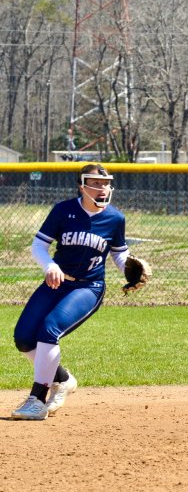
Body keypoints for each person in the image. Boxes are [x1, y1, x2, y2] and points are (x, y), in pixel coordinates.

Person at [10, 164, 132, 420]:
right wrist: (50, 265)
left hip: (89, 287)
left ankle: (37, 400)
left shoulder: (115, 218)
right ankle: (62, 380)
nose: (102, 188)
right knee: (23, 338)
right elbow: (38, 246)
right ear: (82, 186)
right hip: (57, 282)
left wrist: (131, 269)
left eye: (106, 183)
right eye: (96, 183)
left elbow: (120, 255)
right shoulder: (63, 210)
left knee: (49, 329)